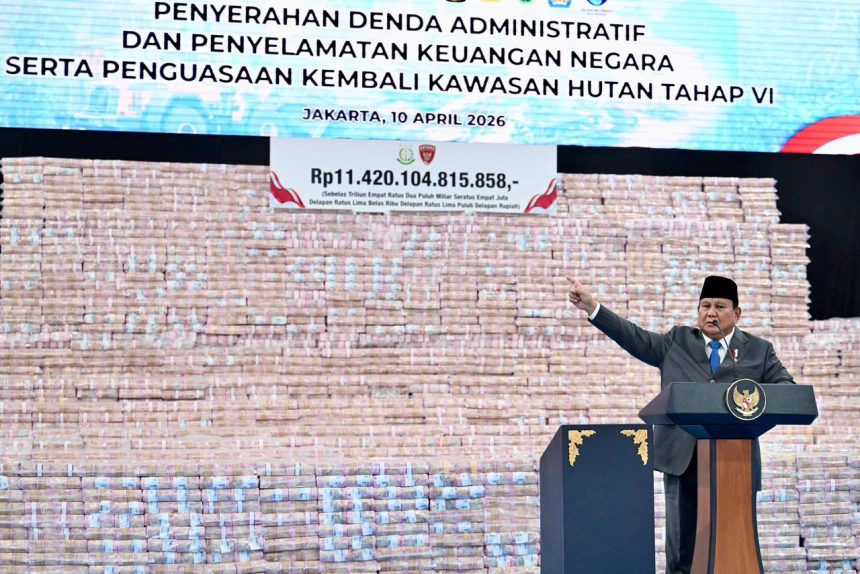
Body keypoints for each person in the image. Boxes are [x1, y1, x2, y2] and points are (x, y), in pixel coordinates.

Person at [566, 275, 795, 574]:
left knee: (733, 548)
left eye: (720, 307)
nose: (711, 313)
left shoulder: (758, 351)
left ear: (737, 314)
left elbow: (787, 391)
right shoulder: (677, 341)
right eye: (705, 306)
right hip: (682, 460)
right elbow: (634, 337)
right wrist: (593, 308)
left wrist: (750, 399)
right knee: (682, 551)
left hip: (734, 463)